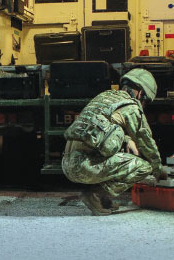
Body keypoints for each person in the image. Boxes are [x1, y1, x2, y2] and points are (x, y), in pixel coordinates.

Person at [62, 68, 167, 215]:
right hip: (83, 167)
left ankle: (102, 200)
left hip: (67, 164)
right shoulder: (131, 107)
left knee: (115, 150)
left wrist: (127, 140)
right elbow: (146, 142)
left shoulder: (105, 97)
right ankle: (95, 195)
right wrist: (158, 170)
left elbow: (100, 129)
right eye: (145, 101)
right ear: (141, 93)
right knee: (144, 166)